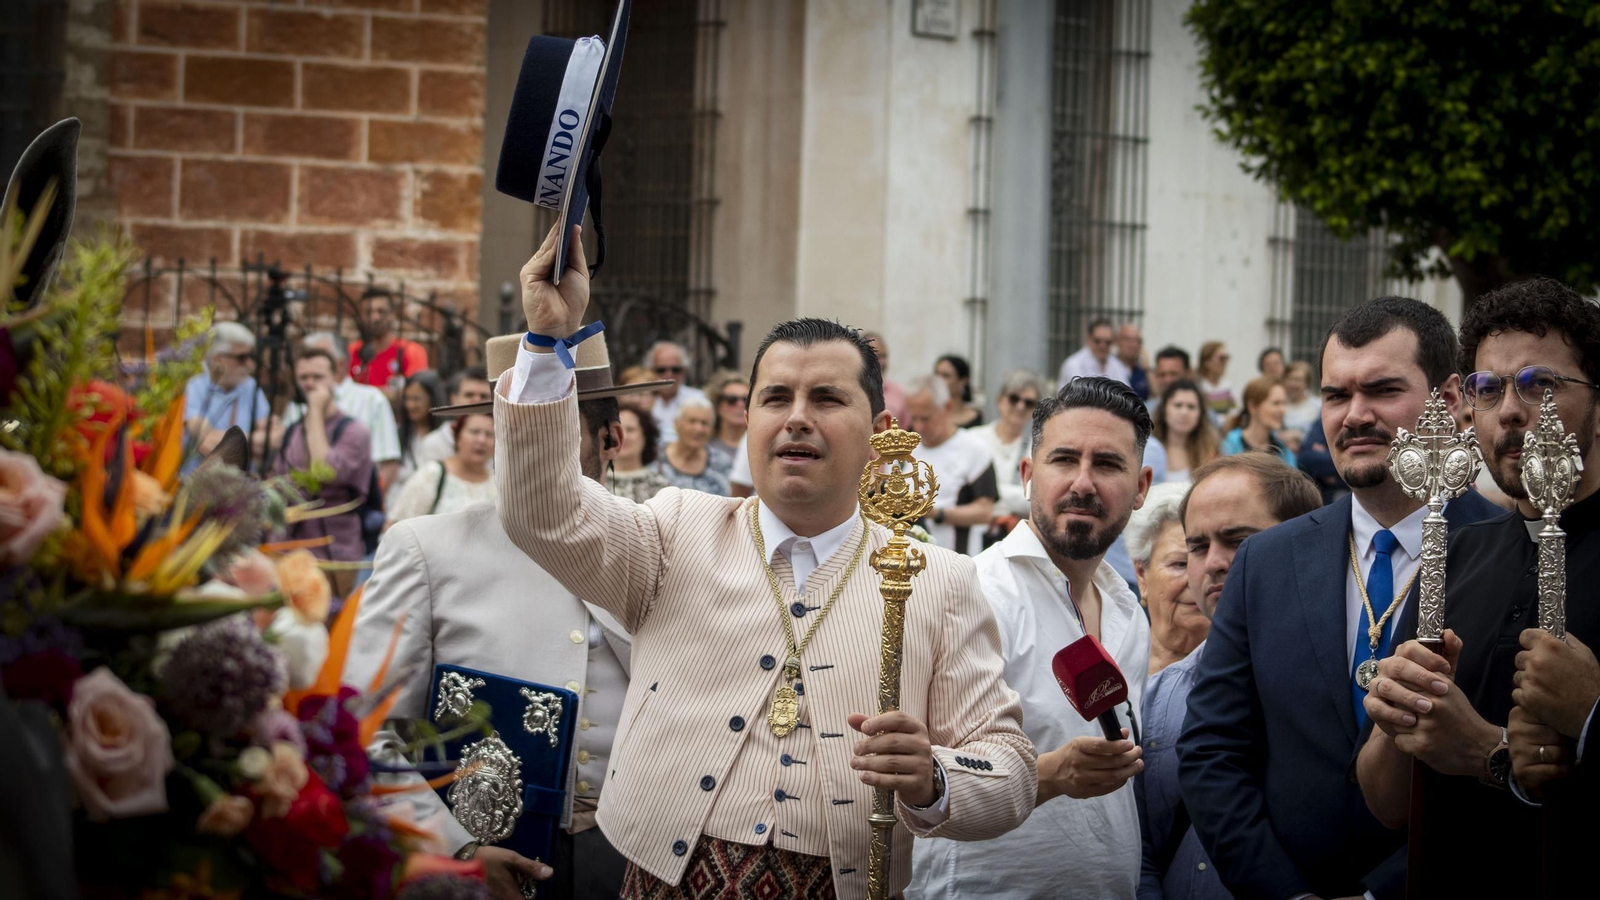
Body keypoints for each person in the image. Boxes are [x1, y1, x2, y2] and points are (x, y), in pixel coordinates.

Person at [495, 224, 1036, 900]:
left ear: (878, 432)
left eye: (827, 399)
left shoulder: (939, 582)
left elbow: (1011, 770)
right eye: (775, 398)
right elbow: (542, 512)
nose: (797, 418)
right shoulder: (675, 530)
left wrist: (936, 777)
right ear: (747, 419)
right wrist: (547, 341)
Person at [1176, 296, 1502, 899]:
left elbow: (1515, 775)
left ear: (1450, 400)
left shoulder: (1512, 559)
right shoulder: (1266, 562)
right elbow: (1210, 752)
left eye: (1382, 390)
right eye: (1335, 396)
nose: (1355, 416)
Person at [350, 333, 647, 900]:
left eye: (552, 427)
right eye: (516, 424)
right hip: (481, 861)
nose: (528, 445)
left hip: (636, 858)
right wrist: (454, 848)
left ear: (613, 438)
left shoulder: (657, 540)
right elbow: (366, 732)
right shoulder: (425, 548)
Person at [1355, 278, 1600, 896]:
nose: (1510, 410)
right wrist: (1394, 722)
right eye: (1488, 389)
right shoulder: (1458, 552)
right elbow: (1387, 804)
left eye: (1540, 384)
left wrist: (1498, 746)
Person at [908, 376, 1152, 900]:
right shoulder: (972, 591)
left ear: (1142, 487)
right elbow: (927, 785)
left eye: (1107, 465)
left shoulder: (1130, 610)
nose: (1083, 483)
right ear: (1026, 474)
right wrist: (1052, 774)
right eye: (1064, 460)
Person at [1139, 454, 1322, 900]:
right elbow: (1140, 850)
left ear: (1306, 540)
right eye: (1197, 547)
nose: (1214, 563)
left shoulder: (1353, 681)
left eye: (1238, 540)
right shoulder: (1163, 691)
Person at [273, 348, 374, 590]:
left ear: (335, 378)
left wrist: (316, 411)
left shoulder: (354, 431)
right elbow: (278, 484)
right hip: (291, 547)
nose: (309, 384)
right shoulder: (294, 430)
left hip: (335, 553)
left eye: (317, 377)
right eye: (303, 377)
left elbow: (324, 470)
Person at [289, 332, 404, 494]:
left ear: (340, 365)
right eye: (304, 376)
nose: (309, 382)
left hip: (349, 508)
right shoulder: (299, 402)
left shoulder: (371, 399)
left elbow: (389, 465)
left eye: (319, 357)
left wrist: (366, 507)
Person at [907, 374, 1000, 555]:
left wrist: (936, 513)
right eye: (914, 418)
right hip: (910, 565)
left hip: (958, 563)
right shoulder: (904, 451)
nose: (919, 426)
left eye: (926, 418)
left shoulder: (975, 450)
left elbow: (985, 512)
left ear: (948, 408)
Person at [1124, 482, 1205, 677]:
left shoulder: (1255, 673)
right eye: (1180, 564)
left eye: (1206, 562)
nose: (1197, 579)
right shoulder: (1116, 670)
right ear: (1142, 575)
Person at [182, 320, 271, 472]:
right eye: (242, 358)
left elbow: (272, 437)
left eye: (251, 357)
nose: (250, 364)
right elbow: (207, 443)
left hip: (242, 487)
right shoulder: (194, 387)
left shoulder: (250, 386)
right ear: (217, 359)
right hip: (198, 487)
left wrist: (233, 443)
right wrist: (253, 441)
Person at [386, 413, 497, 527]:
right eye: (474, 432)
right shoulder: (433, 473)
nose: (481, 440)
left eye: (489, 435)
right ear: (458, 436)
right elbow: (396, 525)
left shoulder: (497, 484)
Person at [969, 370, 1046, 519]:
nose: (1020, 406)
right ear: (999, 400)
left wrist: (989, 493)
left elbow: (1034, 499)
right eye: (1013, 399)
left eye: (1029, 403)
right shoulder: (973, 438)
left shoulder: (1038, 448)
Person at [348, 288, 428, 401]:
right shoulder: (350, 352)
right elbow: (341, 393)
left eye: (381, 311)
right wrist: (390, 394)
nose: (375, 317)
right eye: (368, 312)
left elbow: (414, 395)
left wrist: (361, 395)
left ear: (392, 315)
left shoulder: (411, 351)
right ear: (360, 316)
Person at [652, 396, 730, 496]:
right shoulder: (655, 456)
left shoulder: (721, 463)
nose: (699, 429)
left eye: (704, 423)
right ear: (676, 424)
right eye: (692, 421)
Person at [417, 366, 493, 467]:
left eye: (483, 396)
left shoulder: (502, 444)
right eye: (469, 395)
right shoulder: (433, 444)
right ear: (454, 400)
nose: (477, 400)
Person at [1151, 379, 1220, 483]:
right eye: (1178, 405)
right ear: (1164, 410)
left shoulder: (1210, 452)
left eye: (1191, 407)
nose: (1184, 412)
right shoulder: (1148, 448)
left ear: (1200, 414)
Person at [393, 369, 446, 503]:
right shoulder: (397, 435)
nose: (410, 405)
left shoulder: (446, 436)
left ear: (433, 400)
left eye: (417, 399)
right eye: (407, 398)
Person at [1221, 376, 1295, 465]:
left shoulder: (1283, 450)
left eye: (1284, 403)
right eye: (1276, 403)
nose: (1282, 410)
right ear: (1252, 406)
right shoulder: (1230, 446)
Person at [645, 340, 708, 445]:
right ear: (651, 371)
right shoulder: (642, 400)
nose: (669, 375)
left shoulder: (699, 399)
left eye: (676, 369)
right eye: (661, 370)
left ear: (684, 371)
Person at [609, 407, 672, 504]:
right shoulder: (593, 483)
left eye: (630, 430)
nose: (624, 437)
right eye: (617, 430)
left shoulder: (660, 487)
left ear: (646, 436)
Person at [1059, 317, 1133, 387]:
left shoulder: (1116, 365)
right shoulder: (1074, 364)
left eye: (1107, 342)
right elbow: (1080, 396)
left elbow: (1126, 394)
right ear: (1089, 339)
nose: (1102, 346)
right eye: (1097, 341)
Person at [863, 331, 911, 428]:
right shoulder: (852, 389)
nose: (881, 362)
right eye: (876, 356)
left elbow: (907, 429)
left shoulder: (899, 392)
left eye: (884, 356)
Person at [705, 371, 750, 467]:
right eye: (731, 400)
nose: (740, 405)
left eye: (746, 400)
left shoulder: (760, 446)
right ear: (718, 406)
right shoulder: (704, 445)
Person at [1279, 359, 1321, 452]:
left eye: (1298, 380)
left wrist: (1299, 436)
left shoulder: (1317, 406)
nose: (1294, 384)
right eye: (1291, 379)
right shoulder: (1279, 404)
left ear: (1307, 383)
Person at [935, 354, 984, 428]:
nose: (939, 381)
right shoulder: (929, 415)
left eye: (946, 376)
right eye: (937, 375)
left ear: (963, 381)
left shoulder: (975, 417)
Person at [1195, 341, 1235, 424]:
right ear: (1207, 362)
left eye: (1227, 358)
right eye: (1221, 359)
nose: (1225, 362)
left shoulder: (1227, 385)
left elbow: (1234, 411)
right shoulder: (1198, 386)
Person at [1147, 346, 1191, 414]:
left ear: (1187, 374)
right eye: (1162, 374)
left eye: (1173, 374)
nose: (1167, 380)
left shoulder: (1204, 414)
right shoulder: (1144, 412)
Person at [1118, 323, 1150, 400]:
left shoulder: (1142, 369)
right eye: (1127, 339)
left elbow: (1156, 394)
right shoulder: (1110, 365)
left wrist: (1147, 369)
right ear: (1117, 341)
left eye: (1136, 340)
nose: (1132, 344)